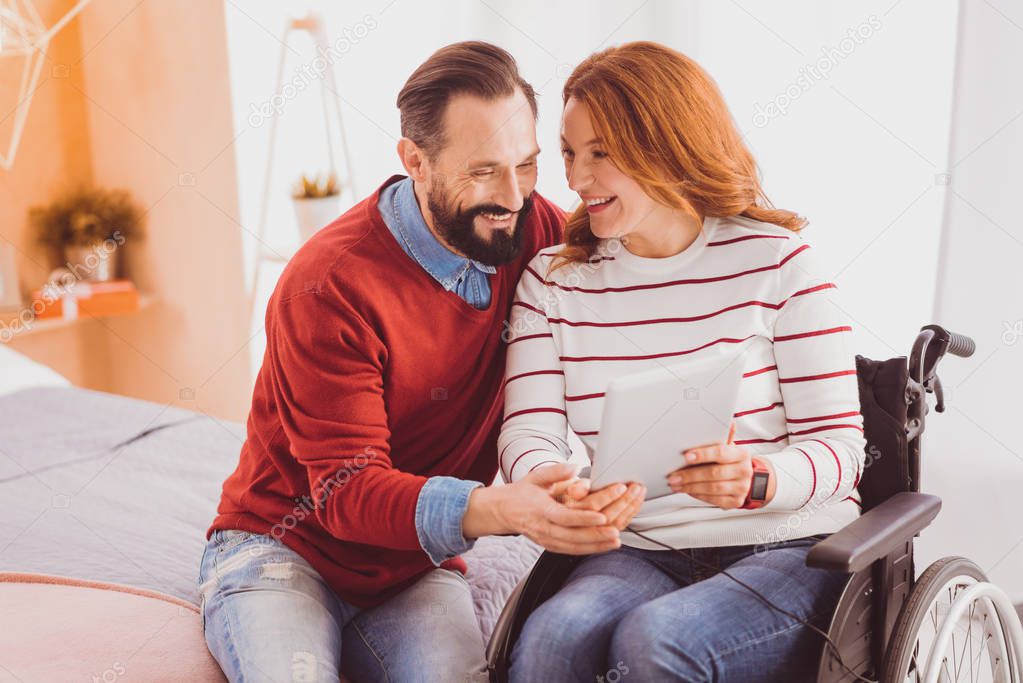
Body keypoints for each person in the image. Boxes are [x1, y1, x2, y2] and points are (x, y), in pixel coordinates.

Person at [197, 41, 641, 683]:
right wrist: (505, 508)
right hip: (282, 548)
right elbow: (347, 492)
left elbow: (643, 274)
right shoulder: (328, 286)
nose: (513, 195)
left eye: (527, 164)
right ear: (415, 162)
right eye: (483, 171)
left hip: (410, 565)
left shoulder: (534, 231)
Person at [501, 41, 865, 682]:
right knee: (551, 639)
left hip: (782, 544)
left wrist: (758, 479)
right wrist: (555, 485)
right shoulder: (553, 282)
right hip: (639, 545)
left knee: (658, 639)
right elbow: (528, 432)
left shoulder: (781, 265)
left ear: (664, 144)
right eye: (569, 152)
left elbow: (841, 449)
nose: (576, 180)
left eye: (600, 153)